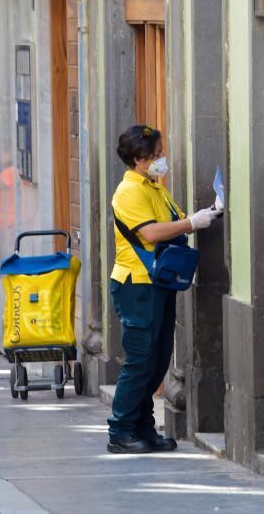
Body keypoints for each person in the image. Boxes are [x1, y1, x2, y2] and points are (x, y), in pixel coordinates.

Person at [106, 125, 222, 454]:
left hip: (157, 282)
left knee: (157, 361)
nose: (161, 159)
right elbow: (153, 233)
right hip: (136, 285)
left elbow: (175, 220)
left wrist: (209, 214)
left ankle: (143, 427)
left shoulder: (153, 188)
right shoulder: (130, 192)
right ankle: (121, 430)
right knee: (141, 360)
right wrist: (192, 223)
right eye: (156, 155)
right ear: (139, 159)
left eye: (160, 154)